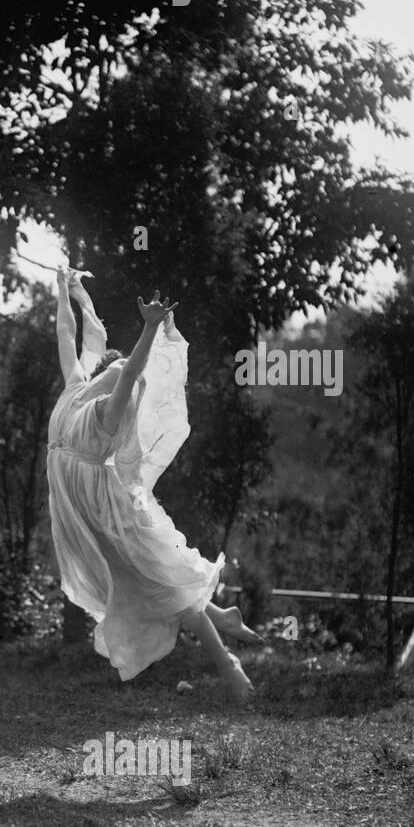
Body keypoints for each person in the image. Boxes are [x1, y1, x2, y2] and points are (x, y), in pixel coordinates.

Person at [46, 269, 259, 703]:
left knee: (163, 582)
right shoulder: (74, 389)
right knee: (146, 585)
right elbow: (70, 336)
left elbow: (129, 373)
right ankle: (221, 617)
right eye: (116, 361)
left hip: (109, 510)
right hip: (84, 510)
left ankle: (228, 663)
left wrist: (147, 328)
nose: (122, 367)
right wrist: (65, 290)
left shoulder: (107, 411)